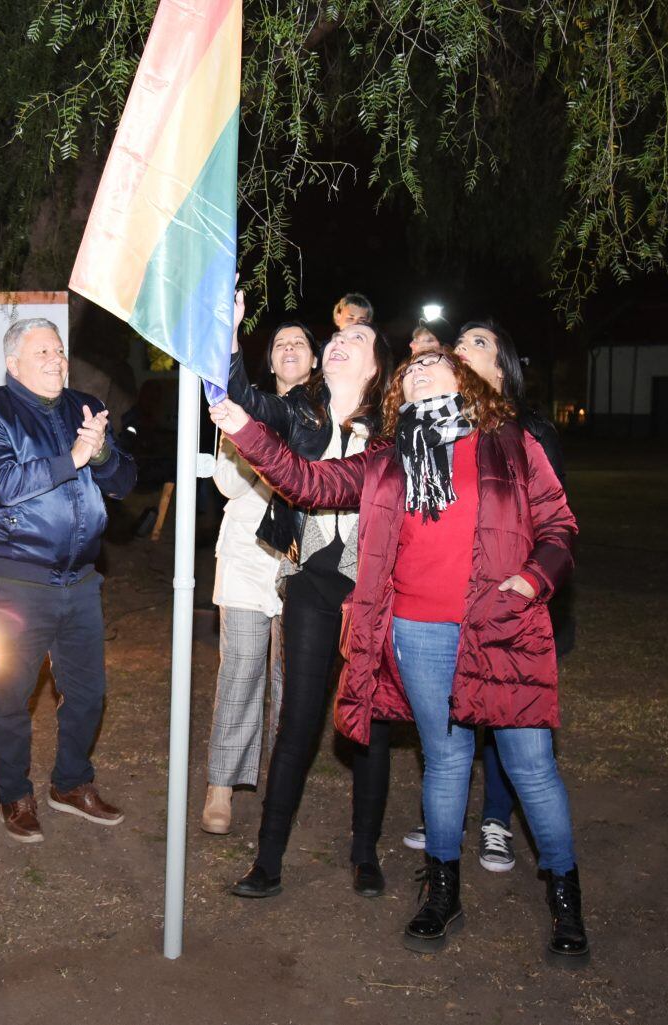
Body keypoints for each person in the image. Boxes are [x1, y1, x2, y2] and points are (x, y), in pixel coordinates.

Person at [209, 349, 588, 965]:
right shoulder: (388, 459)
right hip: (421, 630)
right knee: (443, 762)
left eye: (433, 362)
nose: (418, 369)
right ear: (397, 394)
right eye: (410, 369)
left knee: (531, 766)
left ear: (462, 378)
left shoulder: (509, 443)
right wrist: (243, 428)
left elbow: (558, 524)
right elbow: (310, 482)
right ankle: (441, 893)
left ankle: (566, 899)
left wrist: (534, 580)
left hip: (502, 624)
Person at [224, 295, 396, 899]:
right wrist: (231, 329)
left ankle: (365, 852)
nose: (341, 342)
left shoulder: (396, 431)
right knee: (298, 717)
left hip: (374, 587)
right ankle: (267, 861)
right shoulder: (302, 413)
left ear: (377, 366)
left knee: (367, 717)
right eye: (337, 339)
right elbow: (241, 400)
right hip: (313, 582)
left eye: (359, 340)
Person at [0, 318, 137, 843]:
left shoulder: (83, 406)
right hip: (19, 579)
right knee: (12, 694)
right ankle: (14, 794)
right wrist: (74, 458)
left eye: (59, 351)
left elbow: (126, 482)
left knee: (87, 692)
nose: (56, 360)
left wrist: (102, 452)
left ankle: (70, 783)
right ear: (14, 362)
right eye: (43, 352)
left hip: (82, 578)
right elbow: (3, 483)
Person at [446, 318, 571, 872]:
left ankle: (498, 821)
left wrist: (527, 583)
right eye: (459, 342)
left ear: (503, 367)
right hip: (443, 610)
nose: (462, 349)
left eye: (479, 343)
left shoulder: (529, 433)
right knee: (449, 731)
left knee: (516, 742)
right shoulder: (430, 429)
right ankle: (444, 825)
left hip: (506, 611)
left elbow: (556, 525)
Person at [202, 321, 319, 834]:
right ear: (269, 363)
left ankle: (279, 786)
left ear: (315, 360)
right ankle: (221, 786)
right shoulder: (242, 407)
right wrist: (257, 438)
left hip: (304, 558)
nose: (289, 349)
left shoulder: (328, 418)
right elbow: (227, 483)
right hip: (250, 554)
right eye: (280, 345)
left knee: (291, 680)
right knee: (241, 670)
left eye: (300, 344)